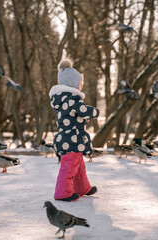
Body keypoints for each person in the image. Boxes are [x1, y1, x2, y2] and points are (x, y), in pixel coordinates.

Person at [49, 59, 100, 202]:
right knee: (69, 167)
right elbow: (84, 110)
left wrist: (81, 119)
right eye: (80, 83)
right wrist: (94, 112)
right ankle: (62, 193)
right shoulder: (73, 100)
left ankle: (83, 188)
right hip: (71, 140)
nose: (81, 86)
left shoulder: (63, 101)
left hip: (68, 139)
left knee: (78, 167)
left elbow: (72, 116)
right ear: (73, 84)